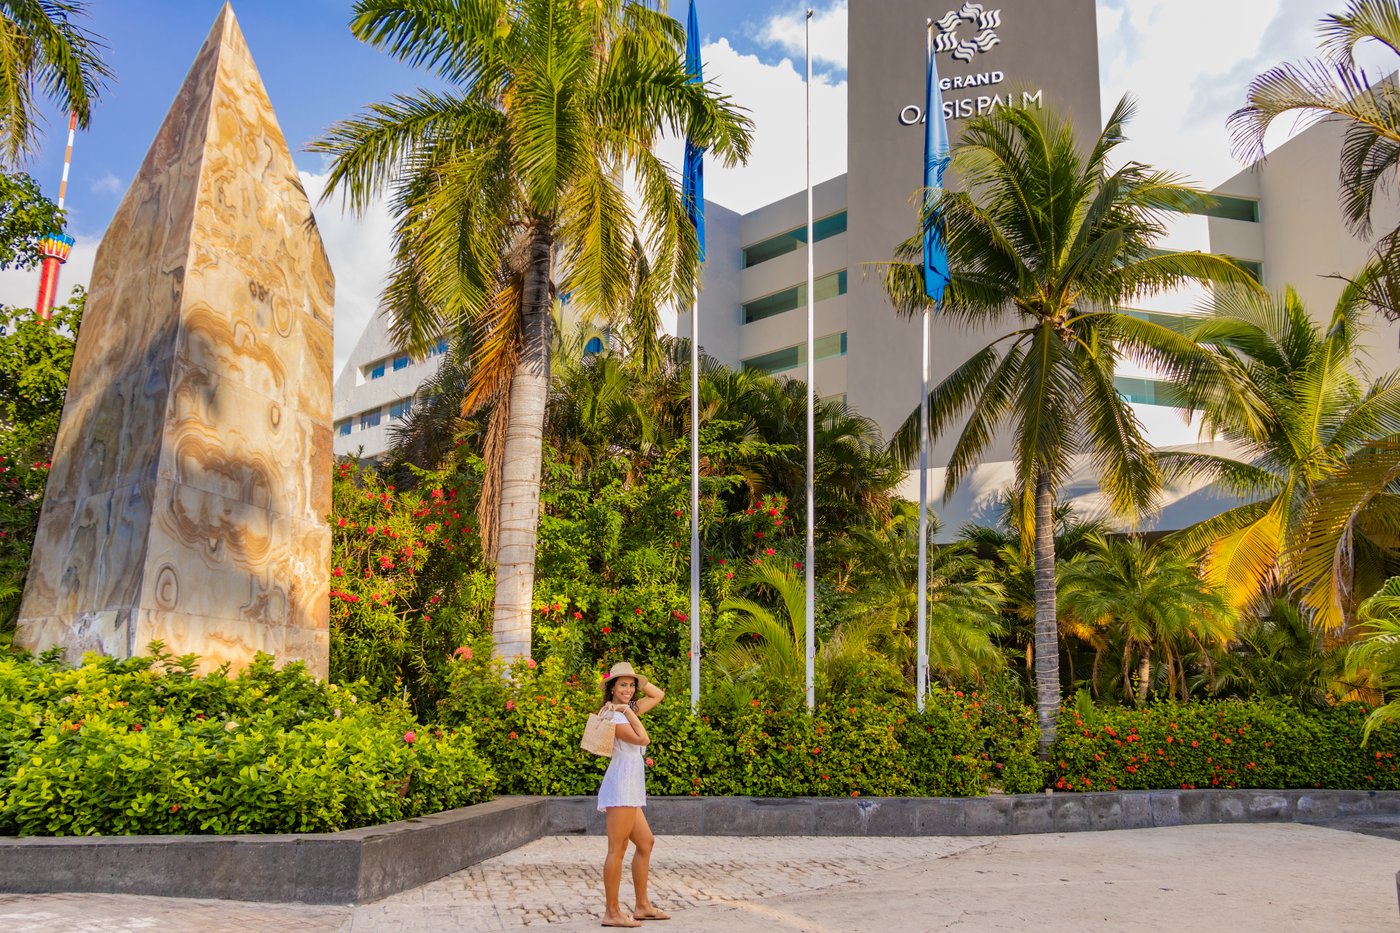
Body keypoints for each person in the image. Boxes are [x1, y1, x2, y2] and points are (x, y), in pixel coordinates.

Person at [596, 661, 670, 927]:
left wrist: (633, 692)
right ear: (612, 688)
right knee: (617, 849)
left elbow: (658, 694)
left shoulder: (626, 710)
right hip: (621, 787)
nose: (628, 689)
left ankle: (642, 906)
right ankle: (612, 912)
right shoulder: (614, 716)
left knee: (645, 843)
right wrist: (625, 709)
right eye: (622, 685)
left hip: (630, 786)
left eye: (631, 685)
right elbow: (643, 739)